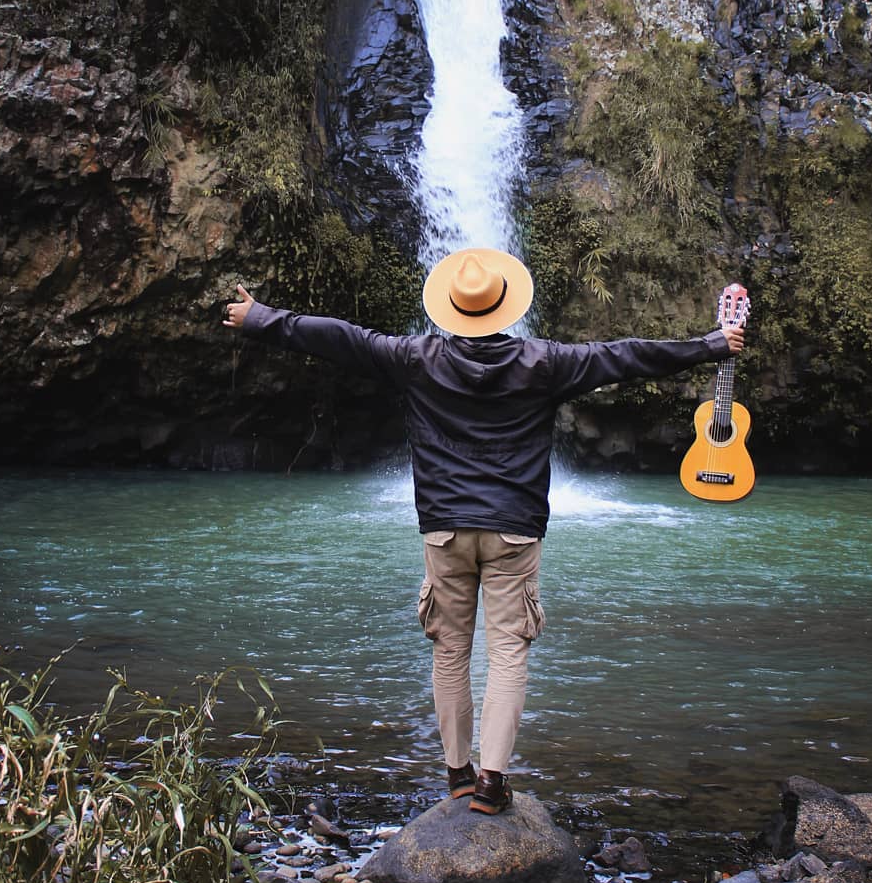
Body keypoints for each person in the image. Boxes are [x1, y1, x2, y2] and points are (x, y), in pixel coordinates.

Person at [224, 247, 744, 815]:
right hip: (514, 531)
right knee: (507, 656)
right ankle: (493, 784)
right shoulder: (546, 363)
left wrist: (260, 319)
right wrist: (711, 345)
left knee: (449, 653)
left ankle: (457, 776)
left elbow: (340, 338)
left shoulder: (413, 357)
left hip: (444, 529)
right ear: (506, 308)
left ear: (450, 308)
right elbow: (626, 357)